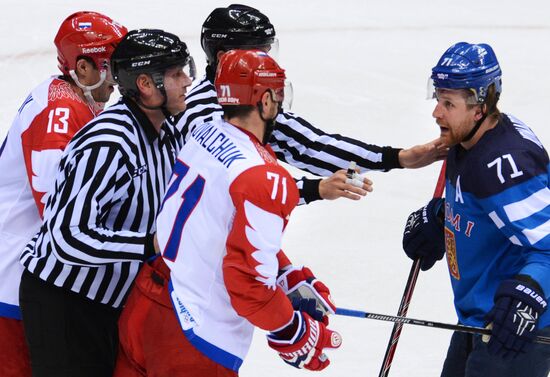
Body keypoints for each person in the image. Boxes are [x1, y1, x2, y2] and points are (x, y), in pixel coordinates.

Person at [114, 49, 342, 377]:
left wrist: (284, 272)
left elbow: (219, 223)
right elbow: (248, 285)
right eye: (276, 96)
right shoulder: (263, 175)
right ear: (264, 101)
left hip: (146, 304)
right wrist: (291, 330)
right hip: (196, 334)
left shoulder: (204, 135)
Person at [18, 29, 194, 377]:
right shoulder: (109, 142)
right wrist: (149, 244)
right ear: (145, 83)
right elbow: (67, 236)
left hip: (111, 302)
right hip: (67, 303)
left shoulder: (166, 132)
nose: (187, 80)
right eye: (176, 74)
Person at [176, 3, 447, 206]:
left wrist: (397, 157)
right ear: (224, 57)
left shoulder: (248, 98)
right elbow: (240, 189)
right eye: (258, 54)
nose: (270, 64)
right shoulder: (203, 116)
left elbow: (309, 145)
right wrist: (314, 189)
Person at [402, 42, 550, 377]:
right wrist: (442, 217)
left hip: (517, 330)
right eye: (437, 98)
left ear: (480, 107)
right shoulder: (465, 142)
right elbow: (487, 211)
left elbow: (548, 244)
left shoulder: (504, 165)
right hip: (478, 318)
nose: (436, 112)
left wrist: (528, 294)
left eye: (448, 103)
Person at [0, 11, 127, 377]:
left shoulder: (70, 98)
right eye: (109, 64)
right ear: (83, 68)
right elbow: (57, 210)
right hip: (13, 282)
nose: (116, 77)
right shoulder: (61, 112)